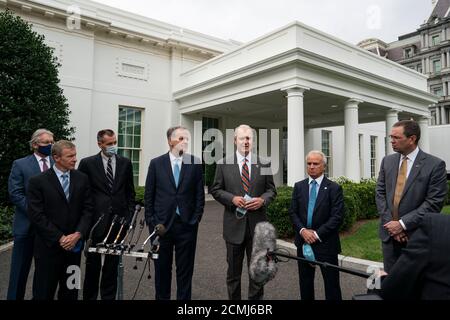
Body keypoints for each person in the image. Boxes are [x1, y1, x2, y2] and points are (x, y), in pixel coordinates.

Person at [210, 124, 276, 300]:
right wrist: (232, 199)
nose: (245, 141)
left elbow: (271, 190)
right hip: (233, 228)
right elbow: (215, 189)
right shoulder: (223, 164)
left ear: (252, 141)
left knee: (257, 274)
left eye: (248, 138)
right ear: (235, 140)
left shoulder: (264, 162)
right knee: (233, 275)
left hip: (257, 229)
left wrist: (262, 200)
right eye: (242, 138)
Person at [376, 120, 447, 272]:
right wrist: (392, 226)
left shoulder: (435, 165)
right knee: (390, 284)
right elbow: (380, 193)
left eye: (396, 137)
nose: (392, 141)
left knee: (414, 286)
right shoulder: (387, 161)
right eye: (391, 137)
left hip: (416, 236)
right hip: (389, 237)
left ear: (412, 139)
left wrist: (402, 224)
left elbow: (433, 203)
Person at [27, 140, 93, 300]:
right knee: (43, 292)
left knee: (71, 291)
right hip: (48, 248)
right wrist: (60, 238)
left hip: (74, 249)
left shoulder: (82, 178)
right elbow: (37, 215)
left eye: (75, 155)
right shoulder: (37, 181)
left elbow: (88, 210)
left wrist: (78, 234)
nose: (75, 159)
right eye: (70, 156)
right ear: (56, 157)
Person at [144, 126, 204, 300]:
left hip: (187, 225)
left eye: (186, 138)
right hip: (161, 226)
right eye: (180, 138)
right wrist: (151, 220)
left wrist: (196, 218)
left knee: (185, 272)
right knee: (162, 270)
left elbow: (199, 194)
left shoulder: (195, 162)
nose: (184, 141)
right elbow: (149, 195)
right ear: (170, 141)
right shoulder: (156, 163)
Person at [79, 129, 135, 300]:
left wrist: (128, 216)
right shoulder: (87, 164)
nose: (113, 146)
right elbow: (81, 193)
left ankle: (108, 297)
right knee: (93, 265)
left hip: (119, 223)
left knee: (111, 266)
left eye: (114, 143)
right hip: (96, 222)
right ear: (100, 144)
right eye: (109, 144)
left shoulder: (125, 162)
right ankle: (90, 297)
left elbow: (130, 193)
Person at [289, 150, 344, 300]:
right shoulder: (299, 186)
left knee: (331, 285)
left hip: (326, 243)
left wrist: (316, 234)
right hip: (303, 242)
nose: (312, 166)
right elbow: (293, 212)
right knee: (305, 284)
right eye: (309, 163)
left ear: (324, 166)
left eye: (316, 163)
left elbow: (337, 217)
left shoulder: (334, 188)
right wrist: (302, 231)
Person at [7, 129, 54, 300]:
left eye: (52, 142)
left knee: (44, 273)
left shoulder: (57, 164)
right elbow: (15, 193)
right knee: (19, 272)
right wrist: (37, 213)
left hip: (49, 228)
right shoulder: (20, 164)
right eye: (46, 142)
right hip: (26, 226)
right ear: (35, 145)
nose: (50, 145)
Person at [379, 213, 450, 300]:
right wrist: (391, 226)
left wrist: (377, 280)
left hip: (412, 233)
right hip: (390, 239)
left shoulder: (437, 228)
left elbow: (388, 292)